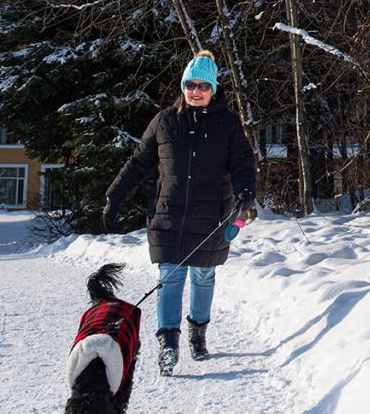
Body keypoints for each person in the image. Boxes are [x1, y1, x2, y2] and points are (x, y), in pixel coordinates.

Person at [104, 50, 256, 375]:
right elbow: (138, 162)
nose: (196, 90)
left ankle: (197, 333)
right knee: (169, 278)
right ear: (183, 86)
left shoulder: (227, 125)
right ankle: (168, 344)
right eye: (190, 84)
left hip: (212, 217)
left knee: (203, 277)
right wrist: (115, 194)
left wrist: (245, 191)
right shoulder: (164, 121)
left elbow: (243, 161)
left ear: (213, 89)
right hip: (168, 214)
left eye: (203, 85)